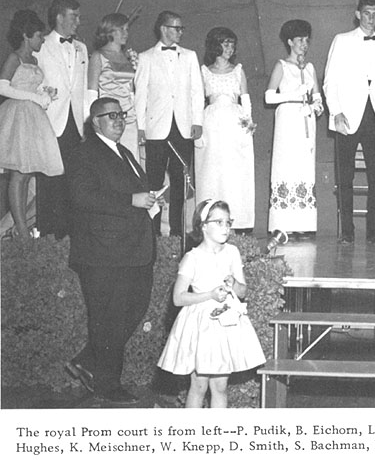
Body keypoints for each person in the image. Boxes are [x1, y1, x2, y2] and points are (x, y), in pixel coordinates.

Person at [64, 97, 159, 404]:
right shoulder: (83, 153)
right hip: (102, 251)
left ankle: (87, 362)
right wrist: (131, 201)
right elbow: (82, 197)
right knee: (109, 317)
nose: (119, 120)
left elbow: (131, 192)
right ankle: (107, 385)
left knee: (134, 307)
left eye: (121, 115)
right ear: (96, 122)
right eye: (111, 116)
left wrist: (149, 200)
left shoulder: (124, 152)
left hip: (131, 250)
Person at [157, 199, 266, 408]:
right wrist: (209, 295)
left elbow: (243, 291)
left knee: (220, 386)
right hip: (200, 326)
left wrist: (234, 284)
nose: (225, 228)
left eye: (228, 222)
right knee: (198, 386)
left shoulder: (232, 252)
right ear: (203, 226)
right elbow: (178, 298)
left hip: (225, 324)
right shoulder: (192, 258)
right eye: (219, 222)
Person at [323, 0, 375, 245]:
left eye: (374, 13)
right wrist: (336, 112)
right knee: (345, 178)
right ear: (358, 14)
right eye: (366, 13)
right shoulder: (342, 40)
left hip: (374, 117)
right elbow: (330, 80)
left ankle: (373, 232)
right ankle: (347, 232)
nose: (370, 18)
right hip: (346, 117)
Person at [134, 10, 204, 236]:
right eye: (176, 28)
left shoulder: (190, 56)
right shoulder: (146, 57)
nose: (180, 32)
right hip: (156, 130)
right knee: (154, 183)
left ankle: (177, 233)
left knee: (180, 183)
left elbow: (197, 91)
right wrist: (140, 127)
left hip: (183, 129)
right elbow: (140, 95)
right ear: (163, 29)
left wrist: (197, 121)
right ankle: (153, 233)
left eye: (182, 28)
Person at [0, 10, 62, 239]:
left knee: (27, 175)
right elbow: (3, 87)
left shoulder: (34, 60)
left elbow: (28, 85)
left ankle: (19, 227)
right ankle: (22, 230)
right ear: (26, 36)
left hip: (32, 118)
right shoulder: (14, 58)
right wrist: (35, 97)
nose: (42, 40)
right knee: (18, 174)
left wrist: (44, 93)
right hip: (17, 118)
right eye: (38, 35)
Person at [35, 0, 87, 239]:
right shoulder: (42, 45)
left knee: (73, 179)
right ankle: (47, 234)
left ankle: (68, 235)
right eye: (74, 16)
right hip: (50, 121)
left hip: (75, 123)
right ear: (59, 17)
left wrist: (87, 123)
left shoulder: (81, 48)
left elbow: (83, 88)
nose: (78, 21)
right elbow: (33, 80)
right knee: (49, 180)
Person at [264, 20, 322, 235]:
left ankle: (303, 224)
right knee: (286, 166)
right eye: (300, 40)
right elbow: (269, 97)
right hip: (287, 119)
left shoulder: (310, 68)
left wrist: (315, 106)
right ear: (290, 42)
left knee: (303, 167)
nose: (304, 45)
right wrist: (294, 94)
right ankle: (283, 224)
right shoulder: (281, 66)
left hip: (305, 120)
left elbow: (317, 98)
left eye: (307, 40)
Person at [195, 27, 255, 232]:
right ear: (216, 45)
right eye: (226, 44)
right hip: (211, 126)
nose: (230, 48)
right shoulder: (204, 71)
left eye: (232, 45)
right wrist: (198, 129)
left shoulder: (238, 70)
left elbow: (245, 99)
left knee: (234, 172)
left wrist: (248, 125)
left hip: (234, 124)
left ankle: (239, 221)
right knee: (212, 171)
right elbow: (197, 101)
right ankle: (210, 220)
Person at [87, 12, 140, 161]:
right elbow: (91, 92)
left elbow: (130, 91)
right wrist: (90, 124)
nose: (125, 33)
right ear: (109, 31)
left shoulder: (126, 57)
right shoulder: (98, 56)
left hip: (128, 117)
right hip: (107, 118)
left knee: (131, 159)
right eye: (121, 29)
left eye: (127, 29)